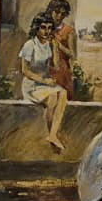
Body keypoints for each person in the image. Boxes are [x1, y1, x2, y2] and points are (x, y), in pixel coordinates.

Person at [18, 12, 69, 153]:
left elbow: (56, 67)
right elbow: (25, 70)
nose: (47, 31)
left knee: (63, 93)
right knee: (52, 96)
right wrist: (43, 80)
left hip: (46, 84)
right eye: (43, 27)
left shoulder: (48, 44)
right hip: (32, 85)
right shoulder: (30, 45)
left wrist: (55, 47)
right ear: (37, 28)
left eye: (49, 28)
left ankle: (52, 135)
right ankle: (52, 136)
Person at [45, 0, 77, 97]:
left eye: (63, 14)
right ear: (51, 11)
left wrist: (60, 46)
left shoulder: (69, 31)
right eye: (57, 12)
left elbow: (73, 55)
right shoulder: (44, 28)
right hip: (45, 68)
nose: (59, 16)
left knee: (62, 97)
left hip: (62, 70)